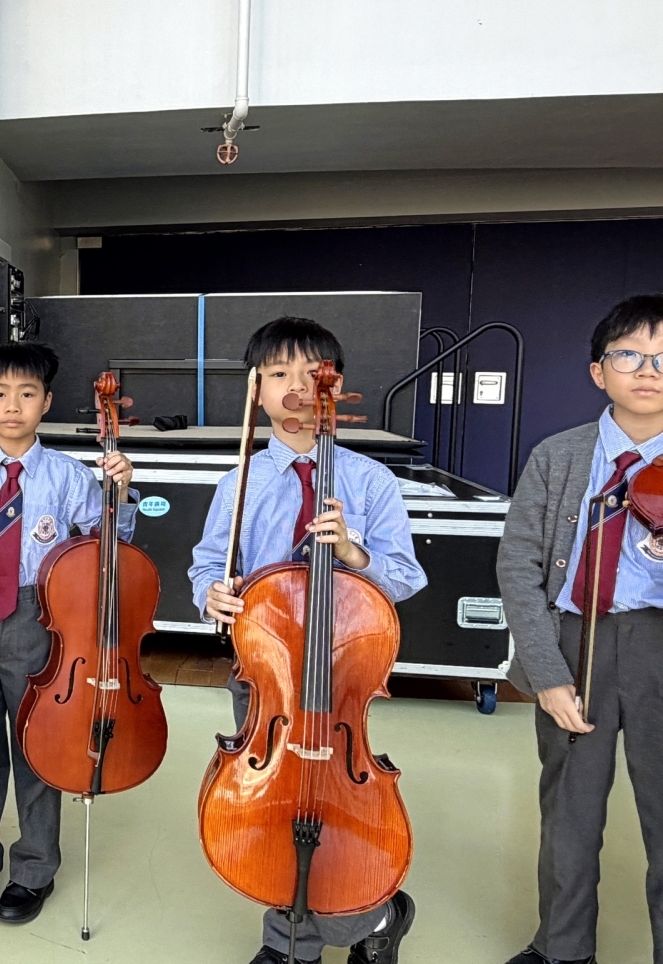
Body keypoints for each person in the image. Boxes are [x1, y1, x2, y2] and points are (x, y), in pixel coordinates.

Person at [189, 317, 426, 964]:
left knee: (331, 801)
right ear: (256, 391)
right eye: (277, 374)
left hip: (342, 676)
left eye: (309, 373)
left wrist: (352, 551)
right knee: (276, 803)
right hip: (263, 674)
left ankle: (368, 916)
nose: (295, 386)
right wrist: (212, 593)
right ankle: (290, 941)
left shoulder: (370, 481)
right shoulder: (237, 482)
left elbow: (406, 576)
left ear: (334, 386)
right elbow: (208, 564)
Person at [0, 342, 138, 926]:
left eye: (26, 394)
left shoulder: (69, 476)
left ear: (46, 402)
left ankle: (34, 869)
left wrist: (120, 494)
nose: (12, 406)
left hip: (40, 618)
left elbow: (107, 549)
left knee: (38, 749)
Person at [497, 294, 663, 964]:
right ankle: (562, 949)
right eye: (629, 355)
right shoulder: (558, 456)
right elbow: (518, 564)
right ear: (599, 371)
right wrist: (547, 673)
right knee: (569, 812)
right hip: (576, 641)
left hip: (658, 645)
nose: (648, 370)